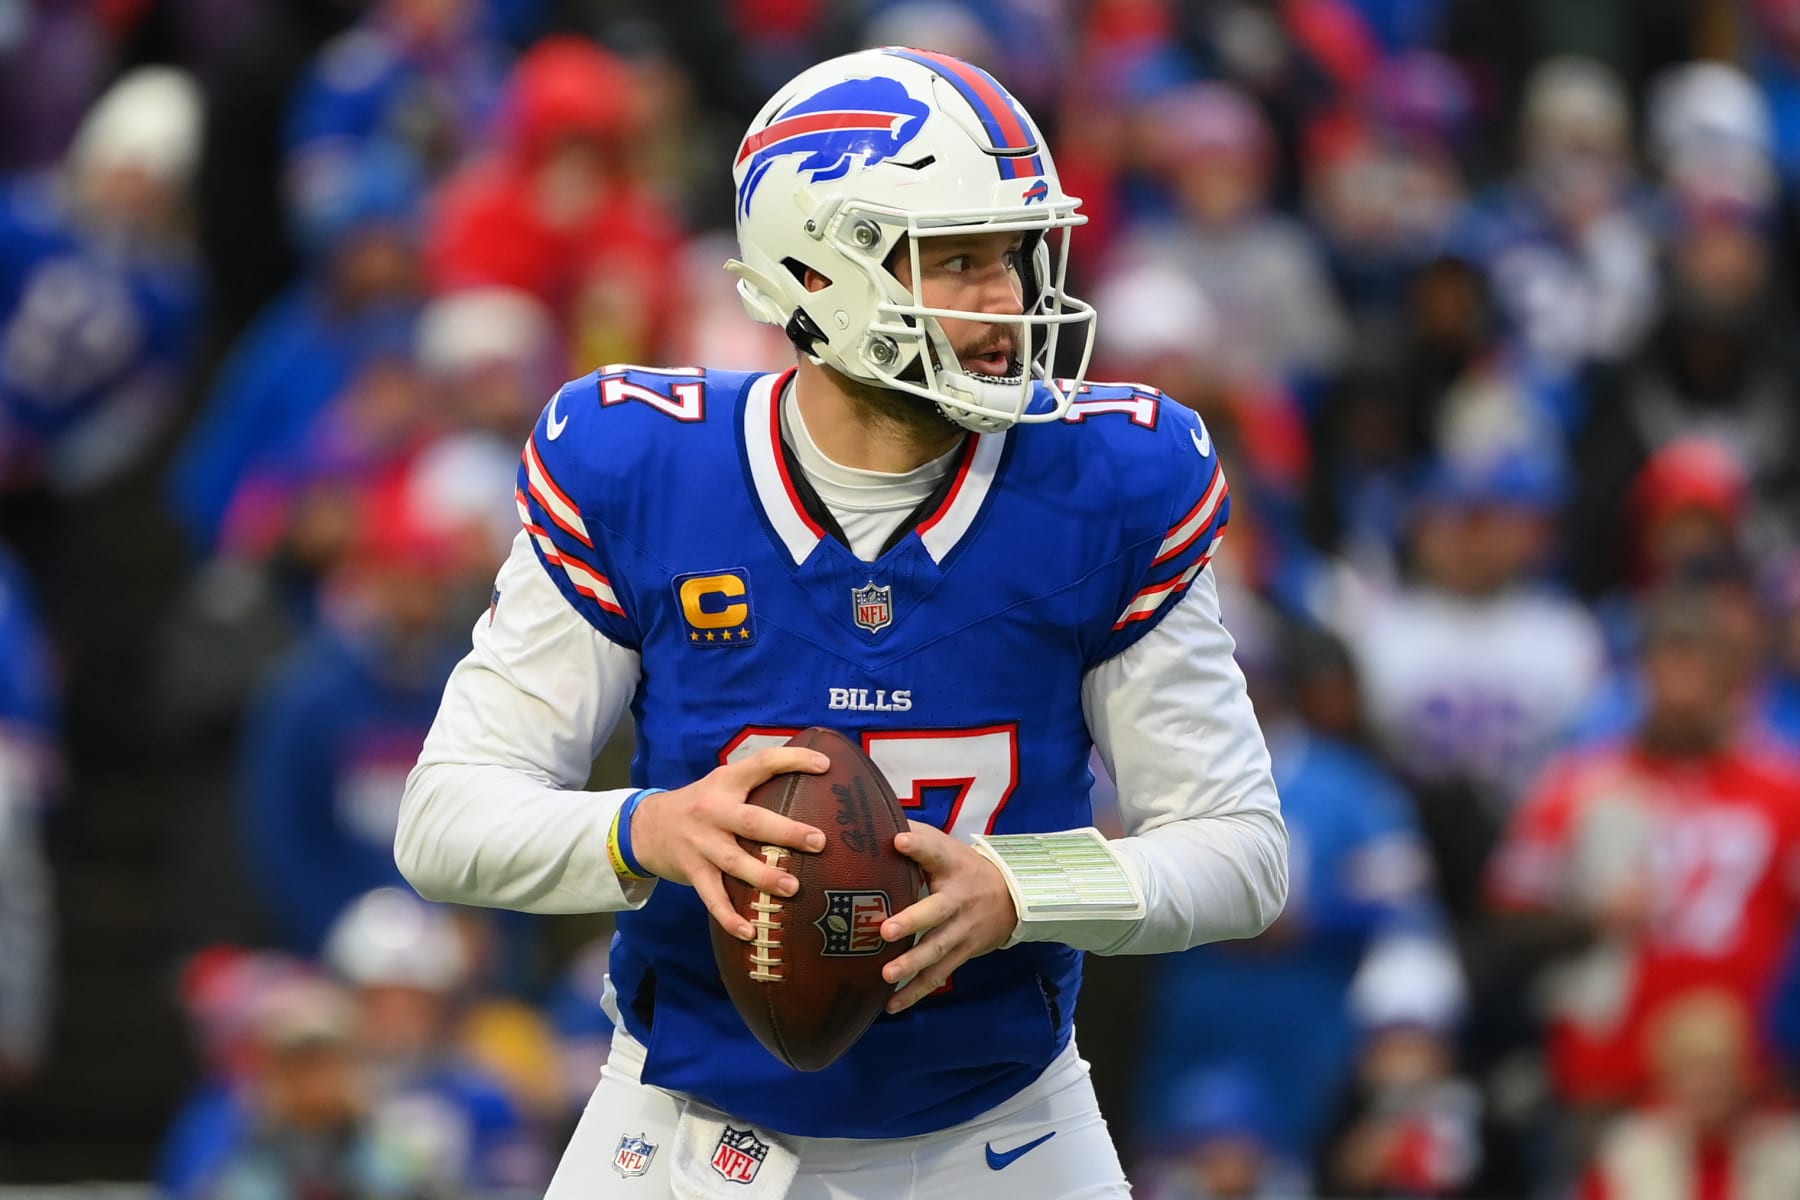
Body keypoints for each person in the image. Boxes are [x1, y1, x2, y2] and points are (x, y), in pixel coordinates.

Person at [397, 47, 1288, 1198]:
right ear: (818, 272)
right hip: (685, 1122)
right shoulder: (644, 468)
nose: (1008, 302)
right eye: (957, 261)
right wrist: (645, 832)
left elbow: (1242, 850)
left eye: (1015, 257)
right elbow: (445, 819)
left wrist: (1024, 891)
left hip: (1000, 1127)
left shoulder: (1106, 481)